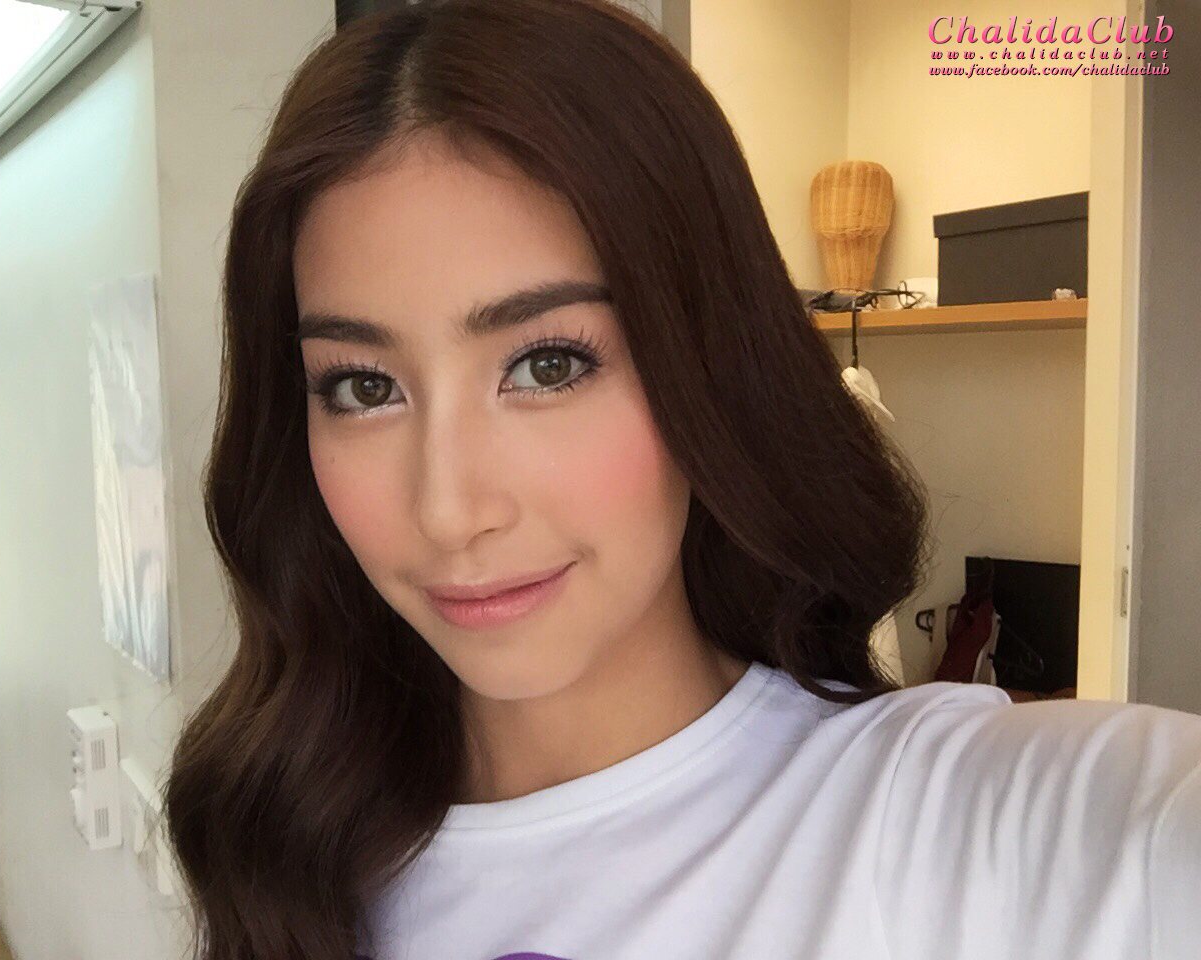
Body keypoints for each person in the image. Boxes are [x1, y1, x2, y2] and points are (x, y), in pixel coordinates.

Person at [163, 1, 1201, 958]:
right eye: (361, 386)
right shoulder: (283, 845)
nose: (448, 510)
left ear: (706, 362)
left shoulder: (957, 831)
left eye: (547, 365)